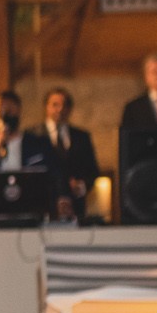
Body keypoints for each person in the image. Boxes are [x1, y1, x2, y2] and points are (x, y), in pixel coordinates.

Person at [43, 86, 101, 219]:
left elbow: (92, 170)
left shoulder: (81, 137)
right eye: (55, 105)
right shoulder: (34, 135)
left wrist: (81, 186)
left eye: (64, 105)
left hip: (75, 207)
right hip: (45, 206)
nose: (60, 109)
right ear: (46, 107)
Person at [0, 89, 63, 174]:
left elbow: (55, 173)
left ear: (18, 110)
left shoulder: (39, 143)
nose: (3, 118)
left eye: (8, 112)